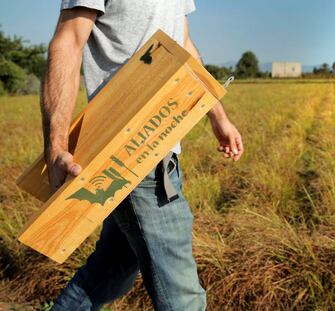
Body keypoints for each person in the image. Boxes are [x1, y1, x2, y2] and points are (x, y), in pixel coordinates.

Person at [42, 1, 243, 310]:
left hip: (164, 149)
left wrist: (217, 114)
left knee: (111, 270)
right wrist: (56, 148)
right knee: (183, 298)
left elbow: (183, 44)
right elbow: (69, 40)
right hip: (129, 156)